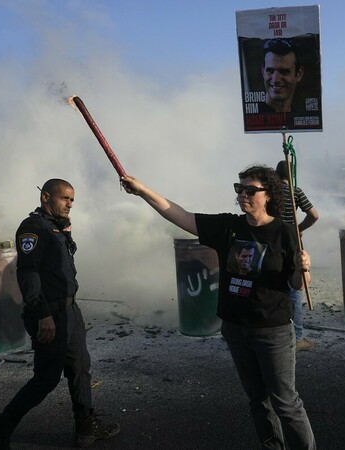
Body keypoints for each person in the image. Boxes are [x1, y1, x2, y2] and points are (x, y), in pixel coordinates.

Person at [121, 166, 316, 449]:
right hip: (235, 328)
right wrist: (142, 191)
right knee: (257, 399)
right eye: (240, 189)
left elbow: (298, 284)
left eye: (251, 190)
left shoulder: (286, 232)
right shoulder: (229, 226)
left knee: (285, 403)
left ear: (269, 195)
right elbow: (180, 215)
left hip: (272, 330)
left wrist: (302, 268)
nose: (243, 195)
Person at [0, 179, 120, 449]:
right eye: (65, 198)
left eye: (72, 200)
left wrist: (66, 233)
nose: (70, 204)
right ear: (45, 197)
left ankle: (86, 428)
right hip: (50, 314)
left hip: (70, 310)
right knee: (45, 379)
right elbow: (28, 273)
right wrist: (42, 314)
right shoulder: (33, 228)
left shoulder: (56, 226)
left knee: (80, 369)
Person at [275, 160, 319, 352]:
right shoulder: (296, 191)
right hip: (292, 244)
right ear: (292, 174)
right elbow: (314, 215)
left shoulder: (270, 193)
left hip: (272, 241)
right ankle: (297, 337)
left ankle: (275, 335)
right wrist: (297, 229)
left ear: (276, 175)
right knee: (295, 289)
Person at [259, 38, 304, 113]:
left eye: (284, 72)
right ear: (263, 72)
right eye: (270, 71)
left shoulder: (299, 117)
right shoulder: (249, 116)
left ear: (299, 74)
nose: (275, 79)